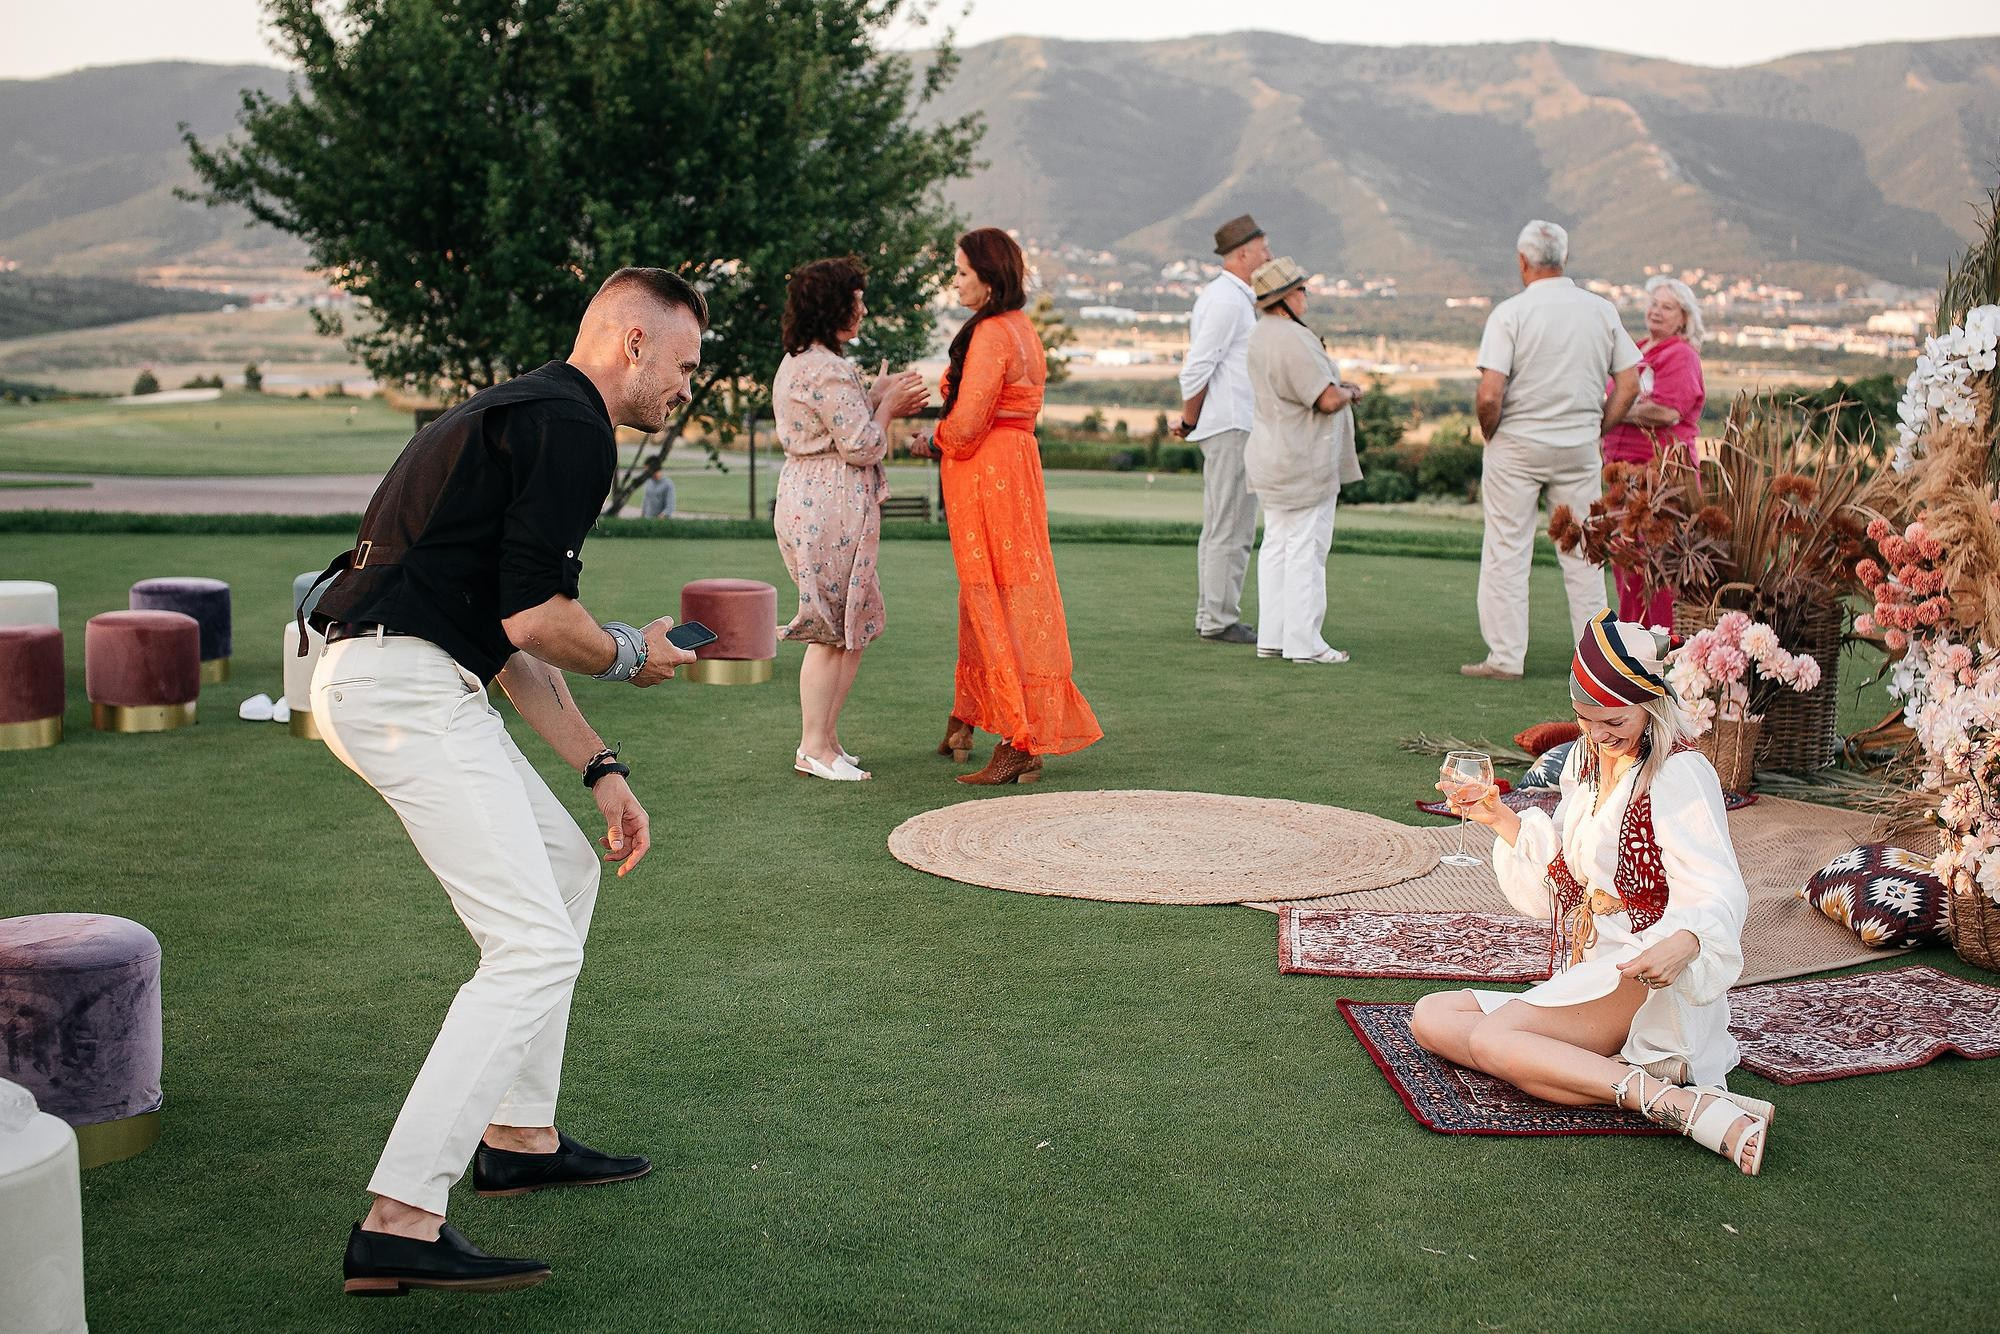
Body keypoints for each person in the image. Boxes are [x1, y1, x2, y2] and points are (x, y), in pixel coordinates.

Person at [302, 267, 708, 1295]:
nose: (688, 388)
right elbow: (539, 623)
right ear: (631, 340)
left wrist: (600, 768)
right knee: (525, 944)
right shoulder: (574, 426)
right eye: (685, 364)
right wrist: (628, 650)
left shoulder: (519, 410)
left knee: (565, 873)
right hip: (400, 687)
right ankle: (399, 1216)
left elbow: (503, 635)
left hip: (394, 674)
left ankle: (520, 1137)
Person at [1410, 611, 1771, 1175]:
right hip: (1596, 958)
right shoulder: (1583, 762)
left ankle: (1680, 1106)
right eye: (1584, 719)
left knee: (1495, 1041)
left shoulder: (1678, 775)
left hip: (1643, 969)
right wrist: (1501, 819)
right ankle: (1618, 1080)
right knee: (1430, 1017)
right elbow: (1575, 889)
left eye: (1613, 721)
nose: (1598, 735)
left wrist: (1689, 939)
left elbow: (1722, 883)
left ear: (1649, 705)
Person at [910, 227, 1103, 784]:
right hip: (1014, 465)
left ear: (990, 279)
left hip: (986, 471)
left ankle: (1019, 737)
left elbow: (968, 424)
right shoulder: (1021, 328)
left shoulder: (993, 333)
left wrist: (931, 440)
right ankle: (970, 718)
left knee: (991, 591)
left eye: (963, 273)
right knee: (1008, 589)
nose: (957, 281)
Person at [771, 255, 929, 781]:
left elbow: (838, 421)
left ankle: (827, 741)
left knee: (846, 624)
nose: (861, 309)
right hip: (829, 502)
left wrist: (874, 395)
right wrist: (888, 409)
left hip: (812, 496)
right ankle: (813, 746)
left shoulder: (804, 362)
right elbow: (861, 443)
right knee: (831, 626)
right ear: (832, 305)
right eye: (855, 300)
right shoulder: (825, 366)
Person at [1464, 220, 1642, 681]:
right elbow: (1629, 383)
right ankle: (1598, 660)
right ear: (1563, 258)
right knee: (1584, 551)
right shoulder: (1600, 310)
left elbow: (1488, 395)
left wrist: (1491, 433)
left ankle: (1505, 658)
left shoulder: (1511, 313)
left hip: (1517, 444)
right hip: (1578, 445)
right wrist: (1597, 427)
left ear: (1522, 261)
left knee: (1507, 547)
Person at [1242, 255, 1364, 664]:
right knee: (1306, 548)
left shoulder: (1260, 333)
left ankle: (1273, 638)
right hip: (1302, 460)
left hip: (1270, 455)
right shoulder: (1294, 338)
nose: (1305, 295)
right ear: (1284, 299)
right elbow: (1326, 399)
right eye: (1299, 289)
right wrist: (1350, 391)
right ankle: (1304, 643)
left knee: (1277, 544)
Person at [1175, 213, 1271, 646]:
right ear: (1244, 253)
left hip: (1234, 423)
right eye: (1264, 249)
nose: (1269, 256)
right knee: (1230, 525)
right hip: (1231, 425)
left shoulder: (1233, 297)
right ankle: (1217, 618)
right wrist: (1190, 418)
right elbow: (1198, 366)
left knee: (1229, 524)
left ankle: (1212, 613)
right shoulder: (1227, 300)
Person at [1600, 276, 1708, 628]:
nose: (1656, 311)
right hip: (1622, 475)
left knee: (1653, 559)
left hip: (1660, 475)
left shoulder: (1681, 355)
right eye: (1653, 303)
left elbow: (1667, 412)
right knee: (1626, 556)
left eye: (1667, 306)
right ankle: (1632, 633)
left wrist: (1613, 410)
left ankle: (1658, 639)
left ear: (1683, 318)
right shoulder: (1638, 349)